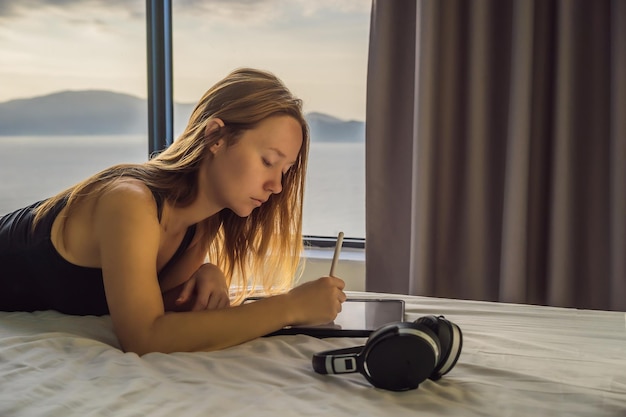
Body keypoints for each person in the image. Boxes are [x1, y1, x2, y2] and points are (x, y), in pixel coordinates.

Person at [0, 68, 347, 354]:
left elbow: (147, 306)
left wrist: (204, 275)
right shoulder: (130, 202)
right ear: (216, 137)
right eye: (268, 161)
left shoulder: (201, 222)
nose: (278, 186)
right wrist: (289, 307)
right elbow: (144, 337)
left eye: (285, 171)